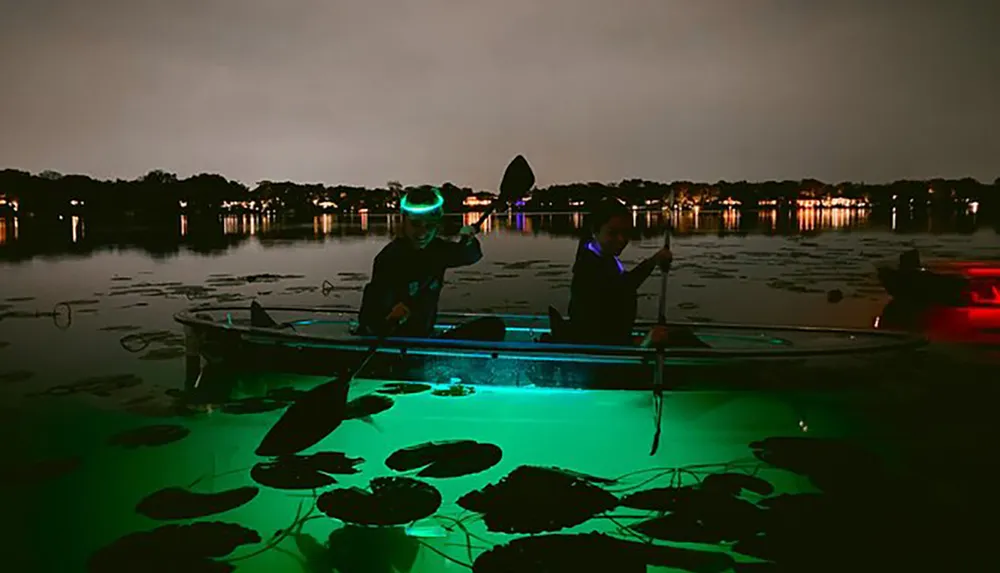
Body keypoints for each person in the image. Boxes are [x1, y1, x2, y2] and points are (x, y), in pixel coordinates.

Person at [356, 186, 505, 341]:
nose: (422, 233)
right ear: (404, 222)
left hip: (425, 338)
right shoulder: (389, 259)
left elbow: (471, 256)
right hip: (395, 342)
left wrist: (469, 241)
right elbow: (369, 319)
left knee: (493, 327)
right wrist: (388, 318)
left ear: (437, 225)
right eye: (415, 224)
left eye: (429, 226)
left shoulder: (438, 250)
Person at [563, 197, 704, 348]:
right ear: (595, 231)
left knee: (683, 336)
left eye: (625, 232)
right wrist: (644, 342)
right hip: (601, 353)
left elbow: (623, 285)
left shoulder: (605, 256)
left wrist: (654, 260)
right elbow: (593, 333)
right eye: (613, 233)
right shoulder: (588, 271)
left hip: (617, 338)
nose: (621, 239)